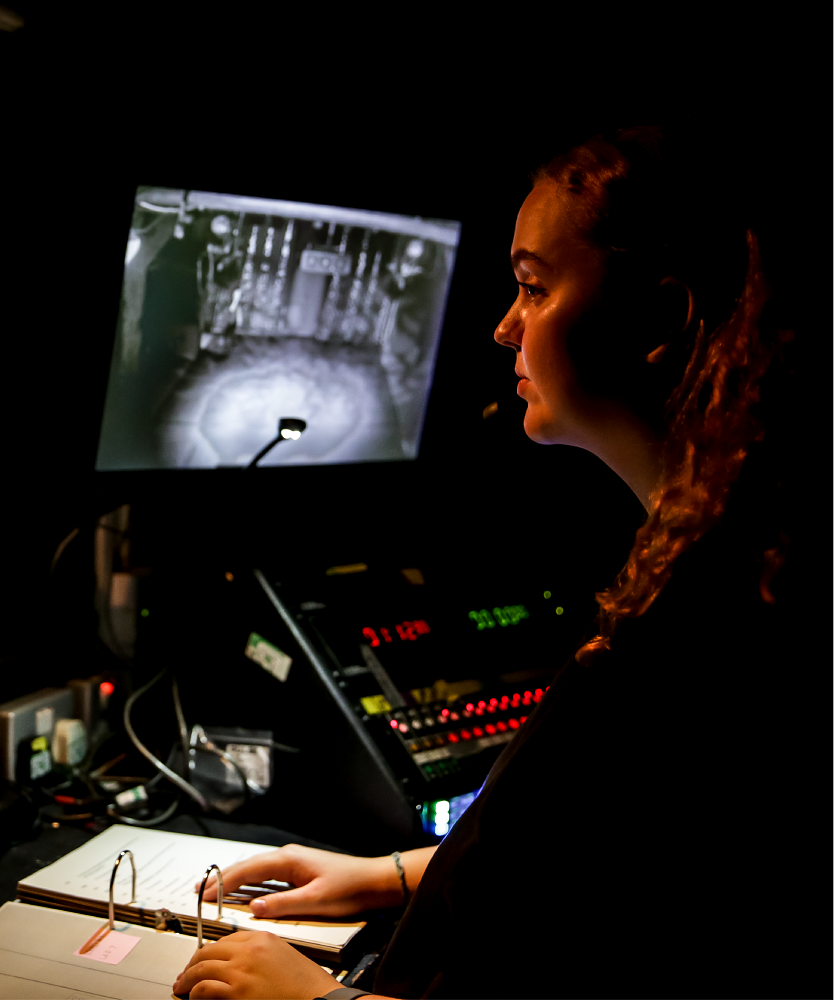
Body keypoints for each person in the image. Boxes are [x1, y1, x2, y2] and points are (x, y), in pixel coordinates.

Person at [172, 127, 819, 1000]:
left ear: (663, 318)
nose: (503, 326)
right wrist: (387, 874)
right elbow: (580, 859)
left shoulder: (718, 628)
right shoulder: (715, 555)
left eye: (533, 286)